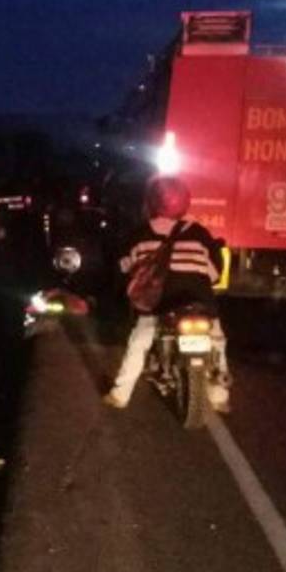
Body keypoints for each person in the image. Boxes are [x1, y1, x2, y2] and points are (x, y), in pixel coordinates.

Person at [103, 175, 231, 412]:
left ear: (152, 202)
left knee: (139, 342)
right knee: (216, 340)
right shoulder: (200, 233)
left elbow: (125, 267)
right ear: (185, 203)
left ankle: (120, 394)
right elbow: (214, 274)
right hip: (199, 302)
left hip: (158, 305)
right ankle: (219, 396)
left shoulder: (139, 235)